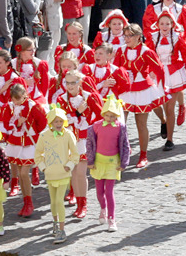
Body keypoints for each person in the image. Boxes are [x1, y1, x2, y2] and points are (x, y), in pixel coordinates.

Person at [113, 23, 166, 168]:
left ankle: (143, 155)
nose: (127, 38)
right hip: (125, 91)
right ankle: (125, 148)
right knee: (120, 123)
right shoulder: (120, 51)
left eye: (130, 35)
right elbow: (115, 70)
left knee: (141, 124)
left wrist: (161, 87)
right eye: (125, 35)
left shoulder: (146, 52)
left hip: (142, 90)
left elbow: (159, 69)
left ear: (138, 37)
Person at [56, 69, 102, 219]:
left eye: (73, 83)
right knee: (74, 173)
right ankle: (78, 204)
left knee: (81, 173)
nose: (69, 86)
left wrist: (92, 128)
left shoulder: (89, 97)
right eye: (67, 82)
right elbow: (61, 121)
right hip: (69, 140)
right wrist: (77, 113)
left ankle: (84, 205)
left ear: (80, 82)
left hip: (83, 139)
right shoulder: (61, 99)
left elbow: (101, 116)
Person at [145, 10, 186, 151]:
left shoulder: (178, 37)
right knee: (154, 103)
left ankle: (170, 140)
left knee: (169, 108)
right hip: (157, 73)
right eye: (162, 23)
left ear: (172, 24)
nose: (165, 26)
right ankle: (164, 122)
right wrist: (149, 72)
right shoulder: (153, 37)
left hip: (173, 74)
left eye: (167, 23)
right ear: (158, 24)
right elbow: (147, 56)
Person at [0, 83, 47, 218]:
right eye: (14, 99)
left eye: (18, 99)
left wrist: (31, 128)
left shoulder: (34, 106)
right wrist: (17, 123)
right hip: (16, 143)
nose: (16, 102)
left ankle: (29, 202)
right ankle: (26, 201)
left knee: (24, 172)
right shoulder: (9, 107)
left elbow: (42, 123)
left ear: (25, 95)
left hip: (29, 143)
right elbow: (6, 123)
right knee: (20, 172)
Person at [35, 105, 79, 244]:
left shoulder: (68, 135)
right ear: (50, 123)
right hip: (50, 174)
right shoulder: (44, 136)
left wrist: (69, 165)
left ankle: (62, 229)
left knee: (59, 201)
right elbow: (38, 154)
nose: (58, 124)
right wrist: (43, 168)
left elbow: (75, 154)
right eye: (55, 122)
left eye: (60, 121)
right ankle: (55, 223)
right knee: (53, 201)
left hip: (63, 174)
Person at [86, 93, 129, 232]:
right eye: (107, 115)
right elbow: (90, 144)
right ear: (103, 114)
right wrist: (90, 161)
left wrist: (123, 163)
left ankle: (112, 218)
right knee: (99, 192)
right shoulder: (96, 126)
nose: (110, 119)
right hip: (99, 162)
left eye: (113, 116)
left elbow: (125, 145)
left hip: (112, 163)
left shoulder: (120, 127)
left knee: (109, 191)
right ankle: (103, 209)